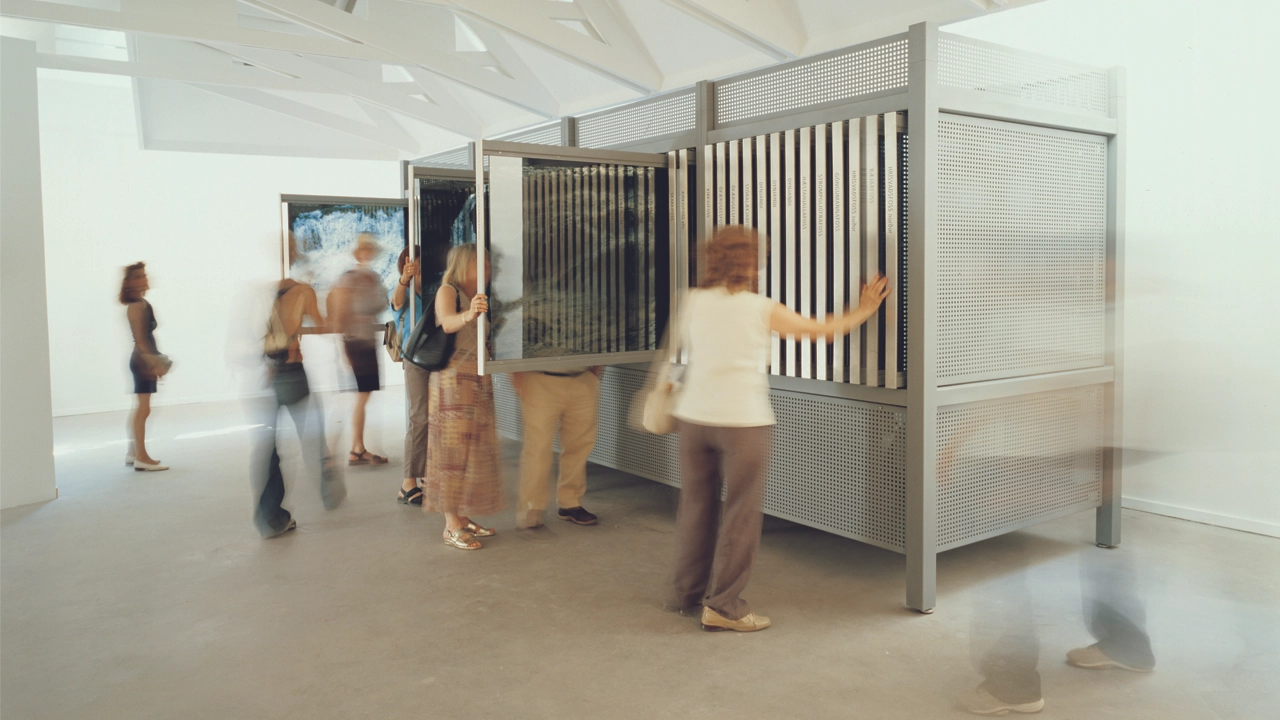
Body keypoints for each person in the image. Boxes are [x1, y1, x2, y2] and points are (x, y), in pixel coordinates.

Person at [667, 225, 890, 632]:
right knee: (740, 514)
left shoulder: (692, 301)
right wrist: (864, 309)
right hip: (742, 423)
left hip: (694, 418)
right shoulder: (759, 307)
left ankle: (687, 593)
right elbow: (820, 332)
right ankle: (724, 606)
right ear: (749, 261)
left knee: (696, 506)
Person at [250, 240, 346, 538]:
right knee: (314, 435)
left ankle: (270, 518)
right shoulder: (303, 291)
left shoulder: (264, 291)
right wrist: (335, 304)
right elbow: (323, 327)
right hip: (292, 373)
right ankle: (330, 489)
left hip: (267, 373)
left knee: (268, 448)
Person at [421, 243, 502, 550]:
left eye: (488, 265)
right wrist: (470, 314)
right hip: (452, 382)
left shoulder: (477, 297)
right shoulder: (449, 291)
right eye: (479, 265)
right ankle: (450, 524)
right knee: (450, 454)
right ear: (463, 266)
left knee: (472, 451)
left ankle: (463, 516)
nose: (486, 271)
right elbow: (447, 322)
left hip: (477, 381)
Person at [511, 365, 602, 528]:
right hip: (540, 378)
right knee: (537, 448)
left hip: (583, 377)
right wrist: (516, 373)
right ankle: (531, 509)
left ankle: (571, 503)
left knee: (579, 445)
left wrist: (595, 372)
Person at [329, 233, 389, 466]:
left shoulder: (372, 277)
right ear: (358, 252)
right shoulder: (350, 278)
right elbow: (340, 311)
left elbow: (381, 302)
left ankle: (357, 447)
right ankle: (351, 449)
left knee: (363, 395)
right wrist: (343, 347)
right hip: (356, 341)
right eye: (364, 249)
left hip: (366, 341)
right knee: (359, 395)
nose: (367, 252)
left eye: (370, 249)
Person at [121, 262, 169, 472]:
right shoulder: (137, 306)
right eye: (139, 276)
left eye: (144, 274)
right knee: (143, 409)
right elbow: (140, 340)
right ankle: (142, 456)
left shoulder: (140, 303)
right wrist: (154, 363)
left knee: (141, 409)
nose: (145, 278)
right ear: (130, 283)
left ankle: (133, 452)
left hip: (142, 360)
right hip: (142, 362)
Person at [391, 246, 427, 505]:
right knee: (419, 417)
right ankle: (407, 483)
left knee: (432, 418)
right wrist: (404, 279)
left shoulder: (437, 291)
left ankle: (426, 475)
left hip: (437, 360)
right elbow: (396, 302)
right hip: (414, 361)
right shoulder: (405, 292)